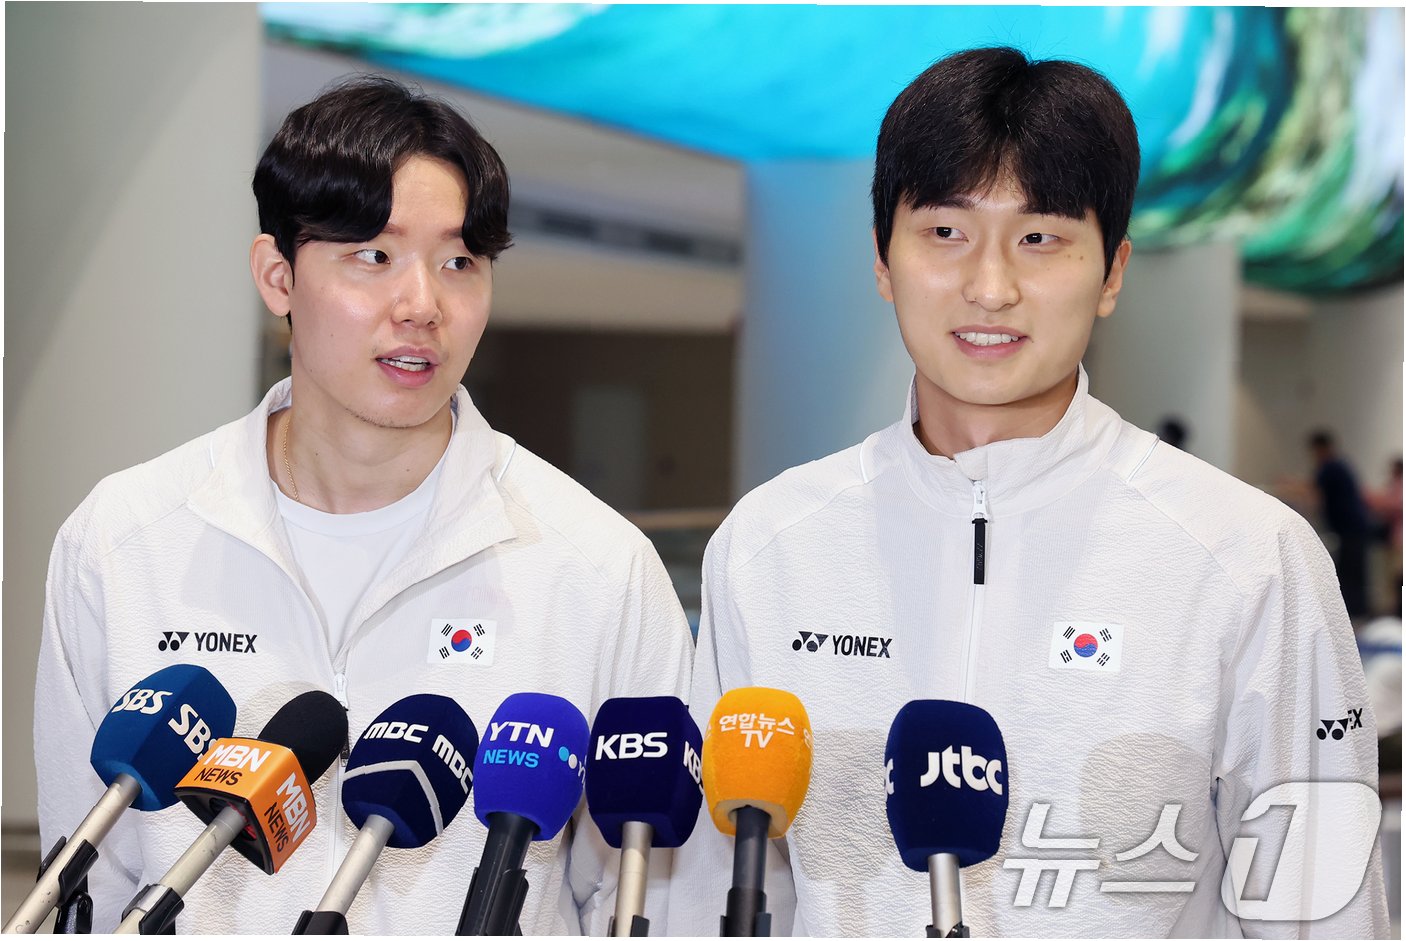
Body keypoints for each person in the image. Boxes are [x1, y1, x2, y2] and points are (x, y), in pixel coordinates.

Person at [667, 48, 1386, 937]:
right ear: (882, 260)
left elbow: (1318, 910)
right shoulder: (771, 546)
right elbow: (714, 894)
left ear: (1112, 271)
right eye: (945, 232)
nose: (990, 286)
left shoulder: (1248, 557)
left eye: (1040, 238)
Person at [34, 76, 693, 934]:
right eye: (374, 256)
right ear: (278, 276)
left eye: (460, 262)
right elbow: (86, 879)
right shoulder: (123, 540)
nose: (423, 305)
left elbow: (639, 900)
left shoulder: (597, 568)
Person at [1307, 430, 1374, 619]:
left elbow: (1312, 490)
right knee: (1353, 571)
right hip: (1351, 527)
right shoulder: (1340, 465)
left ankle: (1354, 613)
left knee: (1350, 572)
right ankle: (1356, 611)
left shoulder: (1331, 467)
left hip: (1350, 528)